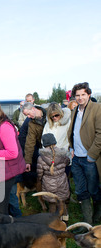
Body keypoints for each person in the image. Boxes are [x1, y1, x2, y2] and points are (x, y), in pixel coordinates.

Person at [67, 82, 101, 224]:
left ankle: (97, 217)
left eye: (83, 95)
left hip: (89, 159)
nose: (80, 98)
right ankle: (87, 223)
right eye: (77, 95)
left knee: (94, 190)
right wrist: (71, 148)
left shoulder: (97, 108)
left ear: (89, 95)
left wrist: (91, 155)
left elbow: (100, 134)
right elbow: (74, 132)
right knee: (81, 191)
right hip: (76, 159)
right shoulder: (75, 111)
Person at [37, 133, 70, 221]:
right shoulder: (62, 154)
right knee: (62, 204)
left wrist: (40, 179)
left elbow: (39, 173)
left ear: (44, 144)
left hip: (49, 185)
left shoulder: (41, 158)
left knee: (52, 205)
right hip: (62, 183)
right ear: (55, 142)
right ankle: (65, 223)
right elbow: (67, 162)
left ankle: (53, 225)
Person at [42, 102, 71, 168]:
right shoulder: (48, 124)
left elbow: (70, 139)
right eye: (52, 116)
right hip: (51, 156)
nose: (54, 117)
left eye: (56, 115)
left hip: (64, 155)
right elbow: (44, 139)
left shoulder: (68, 123)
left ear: (60, 113)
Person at [21, 102, 47, 172]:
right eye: (26, 115)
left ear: (33, 108)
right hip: (44, 149)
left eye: (28, 114)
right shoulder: (32, 124)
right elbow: (30, 142)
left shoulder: (49, 112)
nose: (28, 117)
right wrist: (28, 161)